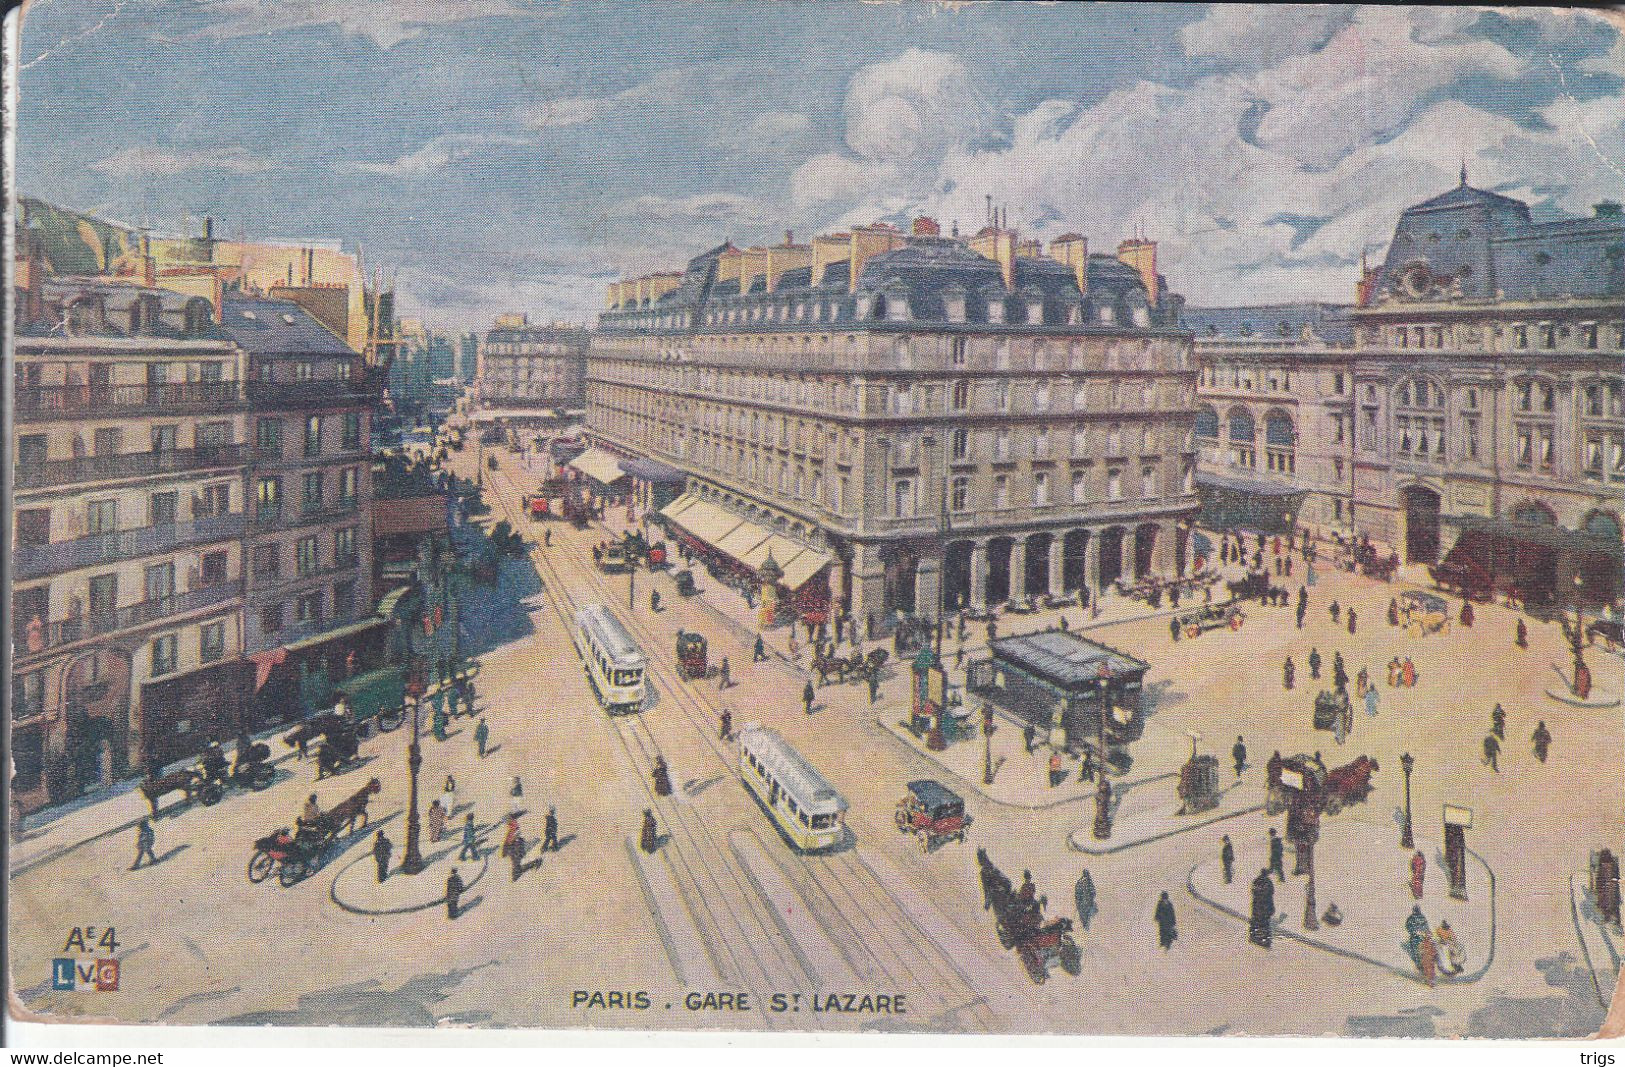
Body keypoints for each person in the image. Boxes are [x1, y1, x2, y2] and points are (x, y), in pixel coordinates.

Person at [1249, 867, 1275, 949]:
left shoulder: (1257, 881)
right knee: (1264, 922)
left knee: (1257, 921)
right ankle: (1263, 938)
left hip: (1259, 906)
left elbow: (1254, 891)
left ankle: (1255, 935)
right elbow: (1270, 893)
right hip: (1264, 906)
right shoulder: (1268, 882)